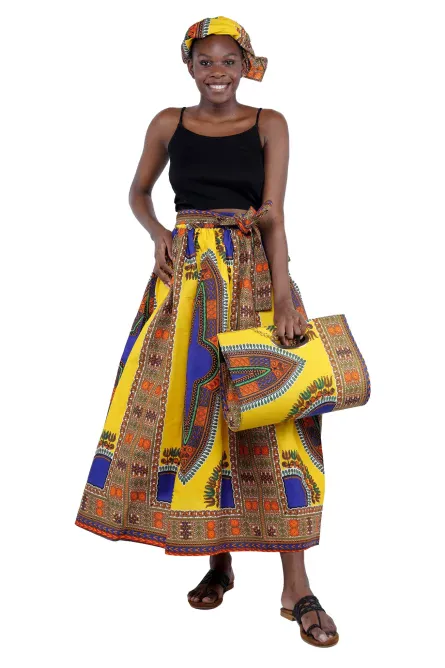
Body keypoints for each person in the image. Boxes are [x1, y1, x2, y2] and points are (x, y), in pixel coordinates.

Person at [74, 15, 338, 648]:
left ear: (245, 64)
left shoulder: (270, 122)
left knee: (276, 421)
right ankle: (218, 562)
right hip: (187, 284)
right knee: (197, 418)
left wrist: (284, 300)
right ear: (189, 65)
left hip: (253, 280)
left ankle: (296, 588)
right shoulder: (168, 122)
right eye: (205, 61)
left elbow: (273, 214)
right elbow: (138, 193)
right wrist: (158, 235)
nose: (217, 72)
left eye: (228, 61)